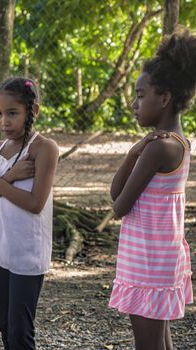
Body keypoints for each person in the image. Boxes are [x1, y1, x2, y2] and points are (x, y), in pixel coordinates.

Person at [108, 26, 195, 350]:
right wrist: (133, 152)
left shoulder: (159, 147)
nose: (134, 103)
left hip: (148, 262)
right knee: (161, 343)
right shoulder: (176, 142)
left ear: (165, 98)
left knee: (149, 345)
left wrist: (136, 154)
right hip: (158, 259)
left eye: (141, 95)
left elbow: (118, 204)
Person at [0, 77, 59, 349]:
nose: (4, 122)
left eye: (12, 113)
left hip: (26, 251)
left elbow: (35, 203)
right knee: (6, 329)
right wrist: (8, 177)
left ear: (32, 111)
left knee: (21, 333)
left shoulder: (44, 148)